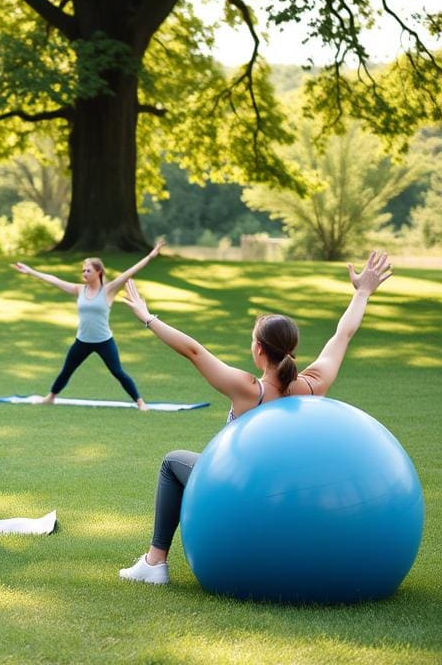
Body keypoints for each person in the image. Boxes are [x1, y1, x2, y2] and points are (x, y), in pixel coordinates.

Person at [116, 250, 393, 584]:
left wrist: (147, 317)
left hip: (242, 493)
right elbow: (342, 335)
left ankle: (154, 561)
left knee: (173, 462)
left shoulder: (248, 390)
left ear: (259, 349)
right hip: (292, 497)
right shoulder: (312, 385)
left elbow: (194, 351)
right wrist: (362, 292)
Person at [12, 240, 165, 409]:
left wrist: (151, 255)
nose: (84, 273)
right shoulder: (79, 289)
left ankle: (140, 402)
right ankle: (50, 397)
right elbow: (54, 280)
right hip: (82, 341)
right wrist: (31, 271)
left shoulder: (108, 290)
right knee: (66, 370)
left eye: (88, 270)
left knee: (118, 372)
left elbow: (130, 271)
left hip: (104, 341)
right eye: (83, 270)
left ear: (98, 272)